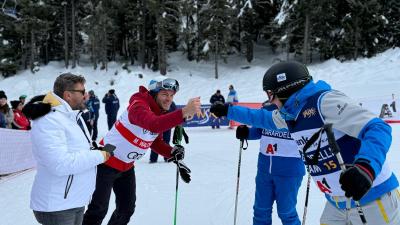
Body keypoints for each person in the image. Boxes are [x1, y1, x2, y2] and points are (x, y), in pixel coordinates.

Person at [211, 61, 400, 225]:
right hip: (337, 204)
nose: (270, 101)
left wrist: (365, 167)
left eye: (271, 94)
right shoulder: (290, 114)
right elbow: (262, 118)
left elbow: (378, 128)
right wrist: (228, 111)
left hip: (373, 198)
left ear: (285, 90)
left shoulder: (324, 101)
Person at [83, 76, 201, 225]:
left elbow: (154, 141)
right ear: (153, 93)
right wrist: (183, 112)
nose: (169, 99)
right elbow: (154, 125)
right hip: (105, 161)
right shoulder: (138, 105)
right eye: (164, 94)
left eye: (171, 95)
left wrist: (171, 152)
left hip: (126, 166)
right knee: (98, 210)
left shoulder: (158, 112)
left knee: (126, 209)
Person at [22, 73, 113, 225]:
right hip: (57, 205)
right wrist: (99, 156)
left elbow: (76, 149)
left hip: (73, 200)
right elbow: (60, 164)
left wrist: (95, 150)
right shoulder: (49, 120)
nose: (86, 95)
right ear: (68, 95)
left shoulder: (71, 117)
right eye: (82, 92)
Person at [212, 101, 304, 225]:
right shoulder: (267, 108)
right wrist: (247, 133)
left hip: (289, 172)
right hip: (264, 171)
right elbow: (259, 131)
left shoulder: (297, 110)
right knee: (260, 210)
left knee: (286, 212)